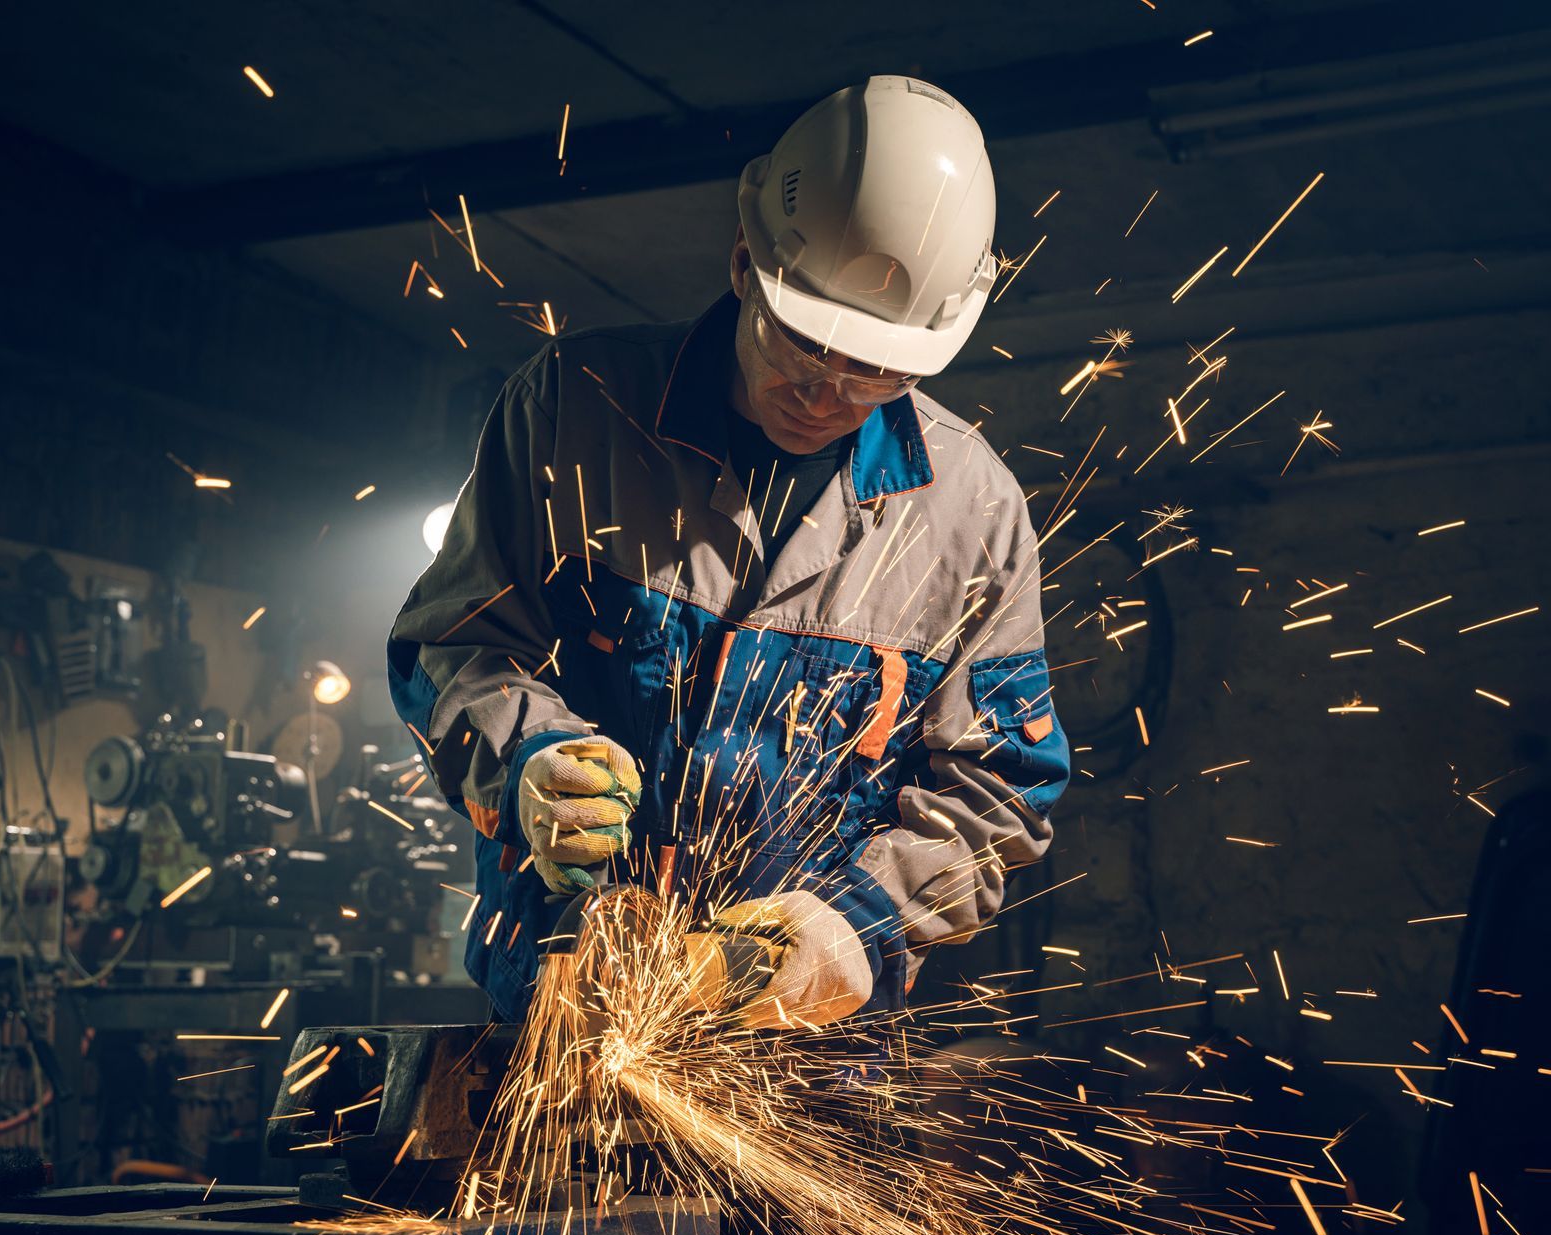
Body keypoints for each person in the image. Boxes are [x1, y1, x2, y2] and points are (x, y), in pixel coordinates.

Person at [389, 75, 1069, 1031]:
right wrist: (530, 758)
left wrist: (857, 923)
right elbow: (451, 645)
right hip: (567, 1004)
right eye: (803, 343)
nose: (824, 393)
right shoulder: (576, 410)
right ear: (745, 260)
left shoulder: (973, 512)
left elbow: (998, 789)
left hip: (812, 1060)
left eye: (873, 369)